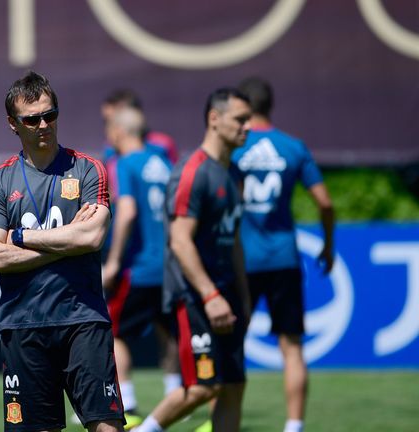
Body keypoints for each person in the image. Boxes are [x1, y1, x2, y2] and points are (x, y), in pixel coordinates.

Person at [0, 71, 124, 432]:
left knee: (107, 427)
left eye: (50, 114)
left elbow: (91, 238)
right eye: (32, 119)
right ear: (14, 124)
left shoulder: (88, 170)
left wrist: (22, 236)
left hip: (83, 319)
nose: (44, 124)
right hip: (24, 326)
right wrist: (65, 243)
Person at [132, 88, 252, 432]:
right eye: (240, 119)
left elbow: (234, 241)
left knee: (233, 386)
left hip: (226, 295)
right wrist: (211, 295)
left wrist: (242, 296)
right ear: (214, 119)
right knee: (204, 385)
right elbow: (180, 240)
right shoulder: (193, 171)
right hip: (196, 297)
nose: (247, 127)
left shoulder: (235, 174)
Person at [232, 76, 335, 432]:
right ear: (270, 105)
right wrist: (329, 244)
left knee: (229, 344)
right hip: (284, 259)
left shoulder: (235, 148)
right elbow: (325, 202)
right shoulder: (293, 147)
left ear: (242, 107)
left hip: (242, 260)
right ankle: (294, 425)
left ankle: (222, 420)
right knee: (291, 347)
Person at [99, 106, 178, 429]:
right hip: (170, 266)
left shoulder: (124, 163)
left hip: (138, 267)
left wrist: (114, 261)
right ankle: (177, 398)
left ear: (119, 131)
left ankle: (127, 403)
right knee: (169, 332)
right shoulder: (164, 163)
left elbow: (128, 211)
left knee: (115, 333)